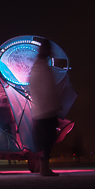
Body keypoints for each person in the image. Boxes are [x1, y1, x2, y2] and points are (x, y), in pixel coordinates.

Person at [29, 40, 61, 176]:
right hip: (47, 109)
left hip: (41, 109)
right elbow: (48, 88)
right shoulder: (43, 67)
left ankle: (41, 166)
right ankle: (44, 167)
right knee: (48, 138)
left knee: (44, 138)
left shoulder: (37, 67)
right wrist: (54, 104)